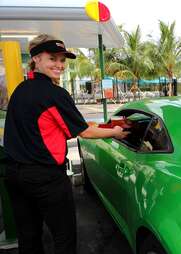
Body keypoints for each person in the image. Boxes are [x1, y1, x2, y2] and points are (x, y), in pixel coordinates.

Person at [3, 34, 129, 254]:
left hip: (14, 175)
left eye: (62, 60)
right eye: (53, 59)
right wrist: (116, 132)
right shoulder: (55, 94)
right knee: (64, 236)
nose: (59, 65)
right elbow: (85, 132)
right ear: (36, 59)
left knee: (28, 235)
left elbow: (43, 127)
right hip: (46, 178)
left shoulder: (20, 90)